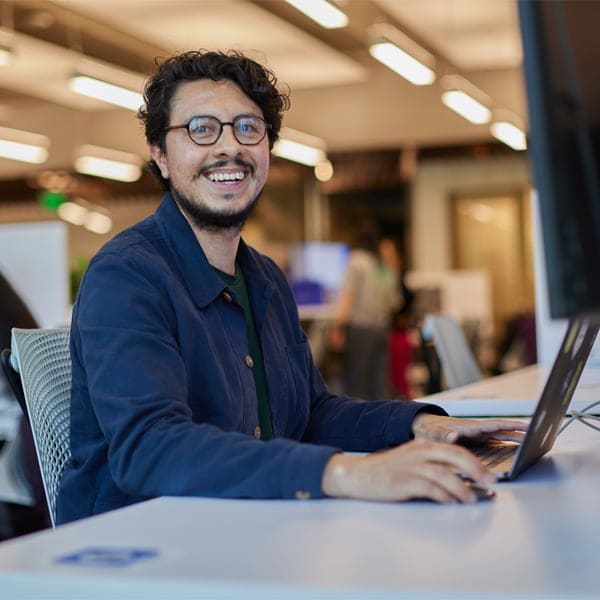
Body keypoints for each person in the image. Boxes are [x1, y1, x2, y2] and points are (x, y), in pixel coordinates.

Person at [56, 50, 527, 524]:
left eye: (247, 127)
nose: (229, 147)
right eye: (201, 128)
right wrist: (342, 473)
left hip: (241, 523)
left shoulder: (263, 278)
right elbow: (151, 448)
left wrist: (422, 426)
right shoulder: (127, 276)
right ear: (159, 153)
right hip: (140, 543)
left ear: (267, 149)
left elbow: (310, 415)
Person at [328, 224, 399, 400]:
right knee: (379, 384)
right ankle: (382, 425)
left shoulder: (356, 261)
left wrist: (337, 327)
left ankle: (359, 425)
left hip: (361, 328)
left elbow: (349, 297)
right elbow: (393, 303)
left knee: (357, 384)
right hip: (381, 329)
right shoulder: (381, 265)